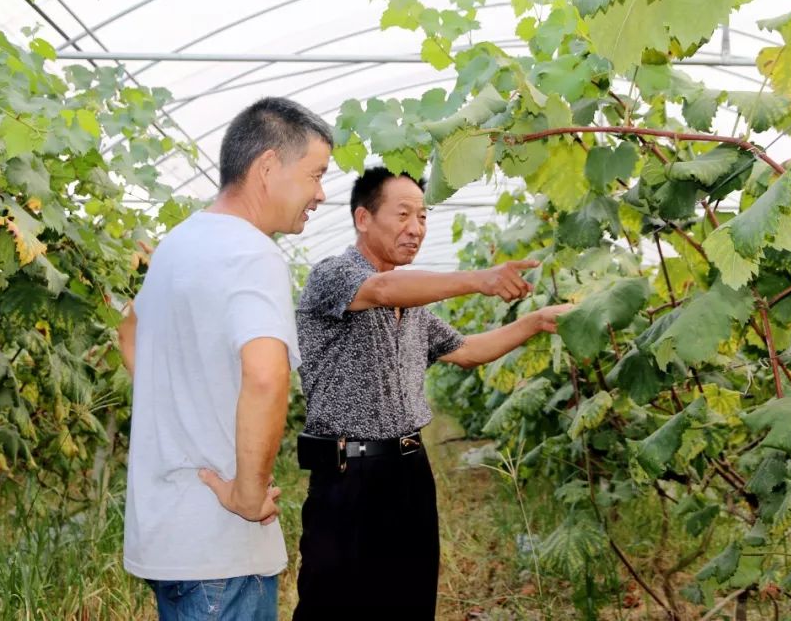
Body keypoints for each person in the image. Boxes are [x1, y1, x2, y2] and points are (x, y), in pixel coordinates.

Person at [292, 166, 572, 619]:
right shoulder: (333, 276)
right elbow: (382, 288)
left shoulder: (414, 306)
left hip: (409, 470)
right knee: (335, 605)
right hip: (348, 478)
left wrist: (535, 322)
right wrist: (480, 279)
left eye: (422, 217)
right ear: (363, 219)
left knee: (409, 598)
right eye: (403, 214)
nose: (416, 228)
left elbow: (467, 351)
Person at [117, 97, 332, 620]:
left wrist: (182, 406)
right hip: (221, 551)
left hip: (169, 537)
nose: (320, 194)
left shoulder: (177, 244)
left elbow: (128, 331)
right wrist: (247, 495)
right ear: (266, 168)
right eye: (315, 174)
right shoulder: (251, 252)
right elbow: (266, 375)